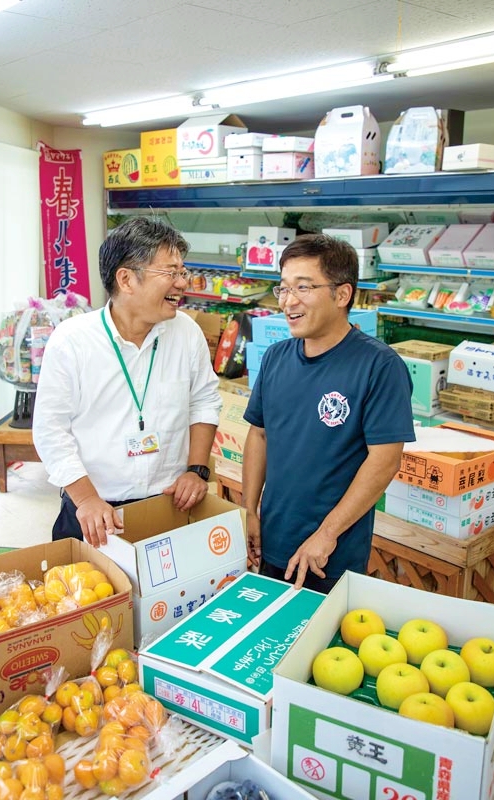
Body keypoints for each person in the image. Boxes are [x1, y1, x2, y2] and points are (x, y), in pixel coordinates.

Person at [33, 216, 221, 548]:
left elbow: (204, 400)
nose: (182, 283)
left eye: (183, 271)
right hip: (94, 511)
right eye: (170, 272)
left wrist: (197, 469)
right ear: (126, 279)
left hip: (169, 504)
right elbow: (50, 430)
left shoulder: (186, 332)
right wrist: (87, 499)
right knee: (96, 598)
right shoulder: (72, 341)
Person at [242, 233, 416, 592]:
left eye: (303, 288)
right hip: (272, 538)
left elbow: (384, 460)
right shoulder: (276, 358)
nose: (288, 301)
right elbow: (258, 433)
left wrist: (327, 534)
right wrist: (249, 509)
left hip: (331, 554)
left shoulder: (379, 366)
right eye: (283, 288)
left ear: (342, 294)